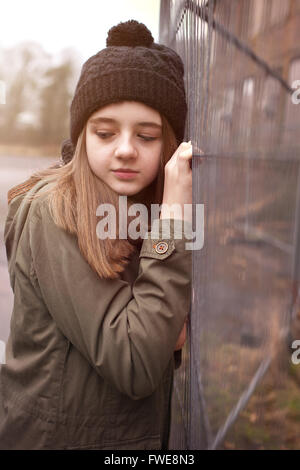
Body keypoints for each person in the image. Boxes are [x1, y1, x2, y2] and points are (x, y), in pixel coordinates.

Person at [0, 19, 193, 450]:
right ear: (82, 135)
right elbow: (136, 362)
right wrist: (176, 221)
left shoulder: (137, 207)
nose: (125, 148)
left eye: (147, 135)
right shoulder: (54, 210)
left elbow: (161, 334)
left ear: (170, 145)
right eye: (105, 133)